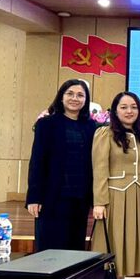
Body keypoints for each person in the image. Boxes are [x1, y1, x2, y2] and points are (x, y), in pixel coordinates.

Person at [91, 91, 140, 279]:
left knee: (127, 248)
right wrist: (99, 202)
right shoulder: (105, 134)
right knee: (113, 247)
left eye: (133, 107)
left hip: (136, 197)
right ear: (115, 111)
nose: (129, 111)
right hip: (114, 198)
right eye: (124, 107)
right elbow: (99, 169)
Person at [27, 79, 97, 251]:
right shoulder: (46, 124)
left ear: (86, 100)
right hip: (52, 197)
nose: (75, 98)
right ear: (61, 97)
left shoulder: (91, 126)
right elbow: (37, 161)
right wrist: (34, 197)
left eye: (80, 95)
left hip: (80, 197)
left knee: (75, 248)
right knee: (50, 248)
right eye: (70, 94)